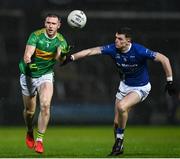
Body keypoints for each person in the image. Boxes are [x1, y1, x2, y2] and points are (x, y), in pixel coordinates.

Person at [61, 27, 176, 156]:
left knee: (122, 107)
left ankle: (119, 141)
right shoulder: (112, 49)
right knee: (116, 123)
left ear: (128, 40)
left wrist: (169, 81)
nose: (116, 41)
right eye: (116, 37)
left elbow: (164, 59)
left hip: (140, 88)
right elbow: (91, 51)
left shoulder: (139, 50)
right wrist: (71, 58)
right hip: (124, 87)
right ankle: (119, 147)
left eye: (120, 38)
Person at [19, 13, 70, 153]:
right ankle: (30, 130)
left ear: (59, 25)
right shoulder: (36, 35)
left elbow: (60, 60)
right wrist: (29, 62)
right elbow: (27, 55)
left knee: (46, 105)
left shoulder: (61, 41)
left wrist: (64, 54)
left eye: (53, 23)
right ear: (45, 23)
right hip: (28, 75)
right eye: (48, 23)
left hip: (45, 75)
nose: (50, 26)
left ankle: (39, 140)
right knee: (30, 112)